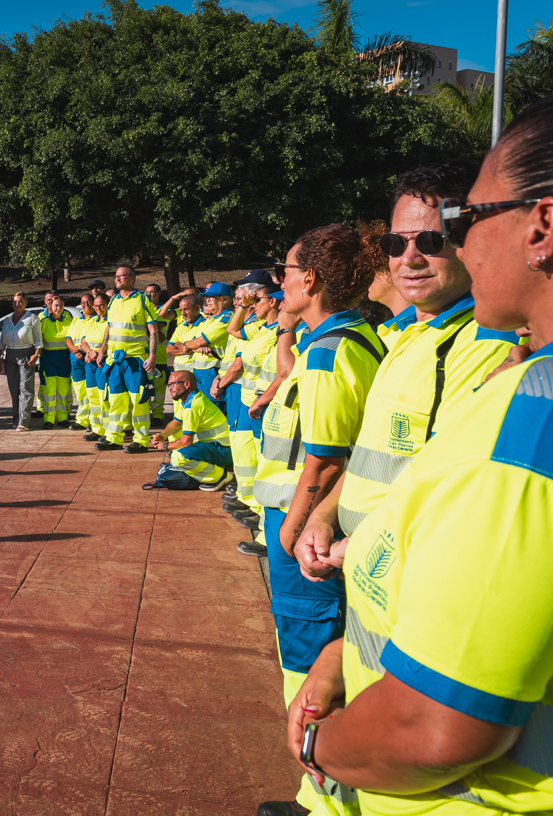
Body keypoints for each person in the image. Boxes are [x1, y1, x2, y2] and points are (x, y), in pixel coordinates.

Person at [282, 94, 553, 816]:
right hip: (380, 629)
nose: (419, 255)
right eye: (397, 243)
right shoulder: (413, 342)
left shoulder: (526, 403)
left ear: (542, 226)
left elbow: (435, 726)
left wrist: (318, 750)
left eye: (460, 226)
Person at [294, 162, 516, 570]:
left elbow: (450, 487)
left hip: (404, 566)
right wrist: (325, 516)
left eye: (431, 240)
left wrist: (360, 547)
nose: (409, 257)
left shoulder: (483, 343)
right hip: (361, 559)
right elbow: (370, 455)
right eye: (396, 243)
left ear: (471, 241)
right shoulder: (406, 335)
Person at [251, 225, 387, 816]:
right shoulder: (335, 338)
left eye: (284, 271)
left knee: (309, 657)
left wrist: (295, 521)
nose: (279, 281)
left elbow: (328, 456)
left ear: (310, 278)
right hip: (304, 519)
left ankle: (322, 799)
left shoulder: (333, 350)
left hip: (302, 523)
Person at [220, 285, 284, 556]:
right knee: (256, 458)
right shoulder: (263, 328)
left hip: (269, 404)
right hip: (255, 402)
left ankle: (270, 532)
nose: (252, 303)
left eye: (258, 299)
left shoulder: (284, 332)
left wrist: (262, 399)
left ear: (275, 303)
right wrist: (243, 307)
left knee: (272, 466)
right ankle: (259, 514)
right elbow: (234, 331)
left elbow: (284, 371)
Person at [91, 266, 160, 453]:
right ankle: (114, 438)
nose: (118, 279)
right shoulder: (113, 300)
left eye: (123, 276)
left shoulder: (143, 299)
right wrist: (102, 350)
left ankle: (141, 440)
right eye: (116, 276)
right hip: (115, 362)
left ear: (133, 278)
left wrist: (152, 356)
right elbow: (109, 328)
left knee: (139, 400)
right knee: (116, 400)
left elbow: (153, 330)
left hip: (135, 360)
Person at [147, 370, 233, 490]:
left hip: (222, 451)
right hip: (216, 446)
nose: (170, 388)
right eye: (169, 385)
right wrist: (163, 434)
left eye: (173, 384)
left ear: (186, 384)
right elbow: (177, 423)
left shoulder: (192, 405)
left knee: (178, 457)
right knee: (174, 435)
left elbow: (187, 441)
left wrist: (165, 445)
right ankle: (208, 467)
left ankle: (219, 476)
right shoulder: (191, 399)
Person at [174, 282, 235, 413]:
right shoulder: (211, 320)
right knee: (201, 410)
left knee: (213, 410)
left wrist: (187, 345)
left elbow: (197, 342)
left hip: (212, 371)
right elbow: (186, 344)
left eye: (211, 297)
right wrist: (191, 345)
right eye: (206, 297)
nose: (207, 300)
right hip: (200, 371)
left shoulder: (226, 318)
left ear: (225, 299)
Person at [0, 292, 42, 431]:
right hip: (10, 355)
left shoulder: (32, 318)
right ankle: (16, 419)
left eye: (20, 301)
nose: (17, 304)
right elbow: (1, 341)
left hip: (26, 353)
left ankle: (24, 421)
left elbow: (39, 340)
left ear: (26, 303)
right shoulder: (7, 319)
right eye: (15, 301)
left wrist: (36, 355)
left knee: (25, 388)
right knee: (14, 388)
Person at [38, 295, 75, 428]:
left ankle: (63, 417)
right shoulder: (43, 322)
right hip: (48, 359)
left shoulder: (69, 321)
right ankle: (49, 419)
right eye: (55, 305)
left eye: (60, 305)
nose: (58, 308)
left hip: (64, 359)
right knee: (49, 391)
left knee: (64, 390)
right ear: (50, 306)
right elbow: (38, 341)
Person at [80, 294, 110, 442]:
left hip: (102, 363)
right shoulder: (92, 321)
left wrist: (95, 353)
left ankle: (108, 430)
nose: (98, 308)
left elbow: (108, 342)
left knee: (103, 397)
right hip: (90, 363)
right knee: (93, 397)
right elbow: (83, 341)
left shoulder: (111, 322)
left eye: (101, 305)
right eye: (96, 305)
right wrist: (89, 352)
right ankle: (97, 429)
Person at [143, 283, 172, 424]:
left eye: (152, 292)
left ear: (159, 294)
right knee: (145, 386)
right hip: (143, 356)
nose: (149, 294)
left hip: (159, 357)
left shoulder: (163, 310)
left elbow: (156, 328)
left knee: (159, 388)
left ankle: (158, 416)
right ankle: (144, 413)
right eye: (147, 292)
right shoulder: (143, 308)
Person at [66, 294, 96, 430]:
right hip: (75, 358)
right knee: (80, 391)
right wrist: (74, 350)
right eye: (83, 302)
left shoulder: (97, 319)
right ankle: (82, 419)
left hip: (90, 357)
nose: (86, 304)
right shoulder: (76, 320)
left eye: (88, 301)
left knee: (92, 390)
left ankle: (93, 420)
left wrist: (79, 349)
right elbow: (68, 338)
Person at [166, 295, 204, 378]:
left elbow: (199, 345)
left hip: (195, 374)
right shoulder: (181, 326)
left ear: (197, 308)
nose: (183, 313)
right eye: (181, 310)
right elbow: (169, 349)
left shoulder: (205, 325)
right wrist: (187, 349)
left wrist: (180, 345)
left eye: (186, 309)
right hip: (178, 373)